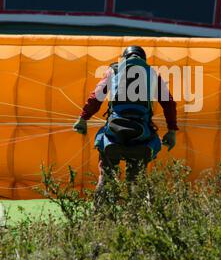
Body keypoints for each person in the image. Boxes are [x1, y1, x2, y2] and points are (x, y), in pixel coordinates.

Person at [73, 45, 178, 206]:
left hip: (114, 134)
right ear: (143, 59)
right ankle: (135, 214)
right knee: (136, 176)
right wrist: (171, 131)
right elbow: (169, 104)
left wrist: (83, 118)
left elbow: (96, 97)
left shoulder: (113, 71)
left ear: (124, 58)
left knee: (106, 173)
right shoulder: (152, 74)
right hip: (141, 135)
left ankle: (99, 214)